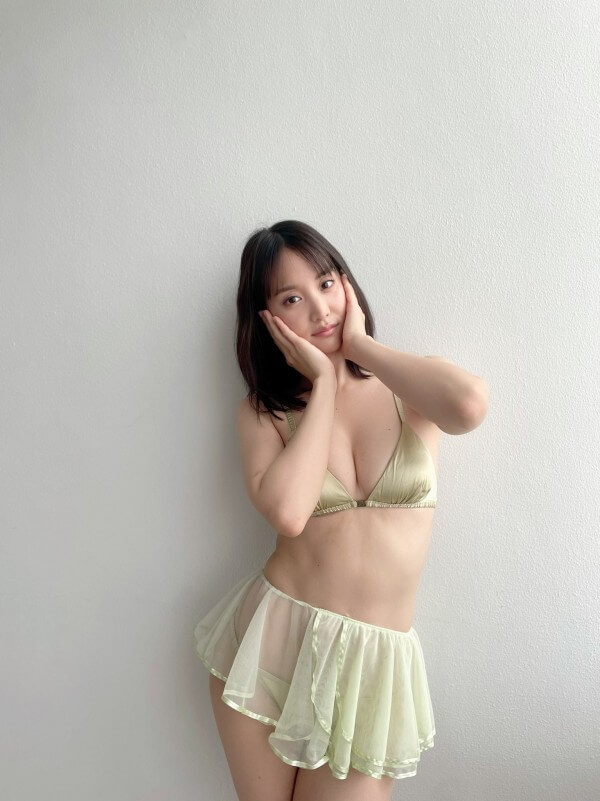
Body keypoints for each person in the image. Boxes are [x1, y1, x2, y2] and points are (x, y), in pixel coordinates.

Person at [194, 220, 488, 801]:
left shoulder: (407, 385)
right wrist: (323, 386)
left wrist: (360, 349)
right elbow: (288, 513)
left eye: (327, 284)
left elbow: (469, 407)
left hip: (372, 664)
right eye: (292, 298)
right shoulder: (265, 413)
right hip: (274, 645)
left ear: (348, 285)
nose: (319, 309)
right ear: (266, 318)